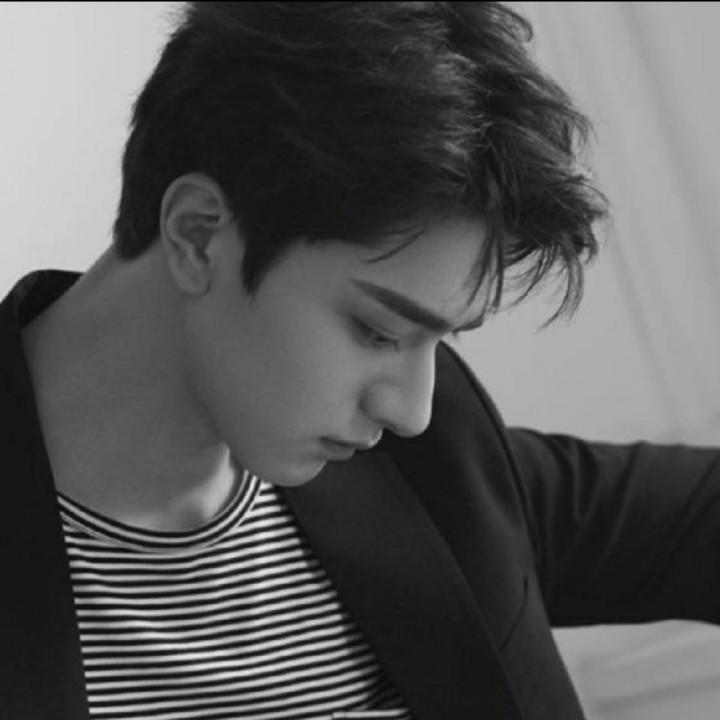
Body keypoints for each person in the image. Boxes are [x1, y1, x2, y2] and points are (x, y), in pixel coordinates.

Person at [2, 2, 719, 719]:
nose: (411, 411)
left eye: (444, 339)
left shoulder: (436, 468)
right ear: (197, 235)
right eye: (378, 331)